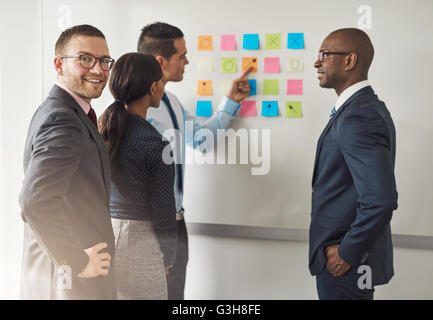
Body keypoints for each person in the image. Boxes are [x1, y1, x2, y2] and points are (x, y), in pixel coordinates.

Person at [137, 22, 252, 299]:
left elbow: (203, 140)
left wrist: (231, 102)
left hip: (177, 223)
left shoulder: (171, 102)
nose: (187, 61)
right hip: (151, 228)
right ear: (161, 61)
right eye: (182, 55)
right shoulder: (134, 111)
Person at [19, 24, 116, 299]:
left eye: (104, 61)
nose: (98, 70)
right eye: (85, 59)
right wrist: (75, 260)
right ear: (59, 65)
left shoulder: (64, 111)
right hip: (71, 280)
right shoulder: (63, 119)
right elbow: (34, 201)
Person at [309, 28, 398, 300]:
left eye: (324, 54)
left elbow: (380, 199)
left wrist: (347, 252)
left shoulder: (357, 117)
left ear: (349, 61)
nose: (316, 62)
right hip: (347, 260)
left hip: (345, 263)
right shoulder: (362, 109)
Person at [98, 52, 177, 300]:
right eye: (162, 82)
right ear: (153, 88)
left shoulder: (102, 130)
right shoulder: (155, 143)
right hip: (141, 243)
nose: (163, 87)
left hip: (105, 235)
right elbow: (164, 211)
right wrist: (169, 253)